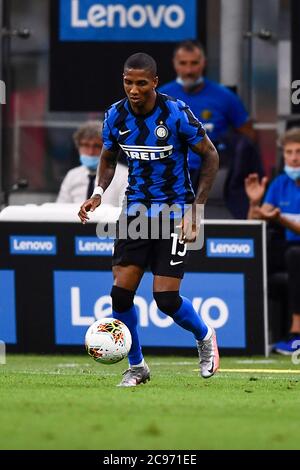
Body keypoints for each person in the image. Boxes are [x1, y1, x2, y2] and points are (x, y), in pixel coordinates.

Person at [78, 52, 220, 387]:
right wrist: (99, 191)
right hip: (135, 211)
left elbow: (211, 155)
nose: (134, 89)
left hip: (174, 212)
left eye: (142, 83)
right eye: (128, 82)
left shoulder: (175, 112)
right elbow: (108, 157)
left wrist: (196, 210)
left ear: (155, 82)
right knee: (120, 294)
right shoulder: (115, 115)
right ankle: (137, 366)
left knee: (166, 300)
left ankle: (204, 336)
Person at [159, 40, 263, 218]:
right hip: (172, 176)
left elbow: (249, 137)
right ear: (175, 64)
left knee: (209, 228)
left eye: (194, 63)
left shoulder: (224, 97)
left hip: (213, 178)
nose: (189, 70)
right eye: (183, 63)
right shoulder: (161, 96)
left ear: (203, 64)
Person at [245, 127, 300, 354]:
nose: (294, 158)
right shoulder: (279, 184)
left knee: (294, 255)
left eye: (298, 152)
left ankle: (296, 333)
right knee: (257, 253)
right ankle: (253, 333)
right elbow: (252, 225)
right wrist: (254, 204)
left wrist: (280, 219)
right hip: (287, 248)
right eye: (288, 152)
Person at [56, 121, 128, 206]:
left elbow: (125, 211)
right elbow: (60, 209)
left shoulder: (124, 175)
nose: (90, 152)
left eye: (97, 146)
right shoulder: (72, 175)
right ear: (78, 147)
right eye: (85, 145)